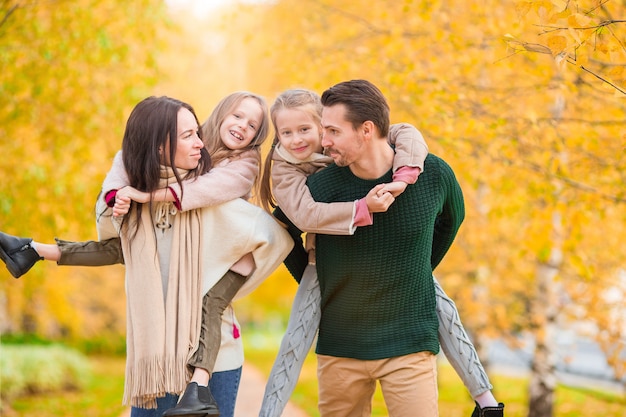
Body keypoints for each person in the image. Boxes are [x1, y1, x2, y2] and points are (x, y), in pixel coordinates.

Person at [0, 93, 293, 417]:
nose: (243, 127)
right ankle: (32, 250)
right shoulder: (160, 186)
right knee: (133, 247)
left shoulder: (227, 196)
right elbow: (119, 228)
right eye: (238, 116)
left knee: (203, 296)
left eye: (253, 125)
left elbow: (274, 236)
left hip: (215, 358)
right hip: (155, 359)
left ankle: (199, 380)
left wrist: (236, 274)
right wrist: (119, 197)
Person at [274, 80, 504, 417]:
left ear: (366, 130)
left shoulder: (433, 174)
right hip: (340, 350)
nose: (323, 142)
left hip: (410, 344)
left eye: (333, 131)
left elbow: (452, 221)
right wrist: (322, 278)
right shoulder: (320, 186)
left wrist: (413, 271)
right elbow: (283, 230)